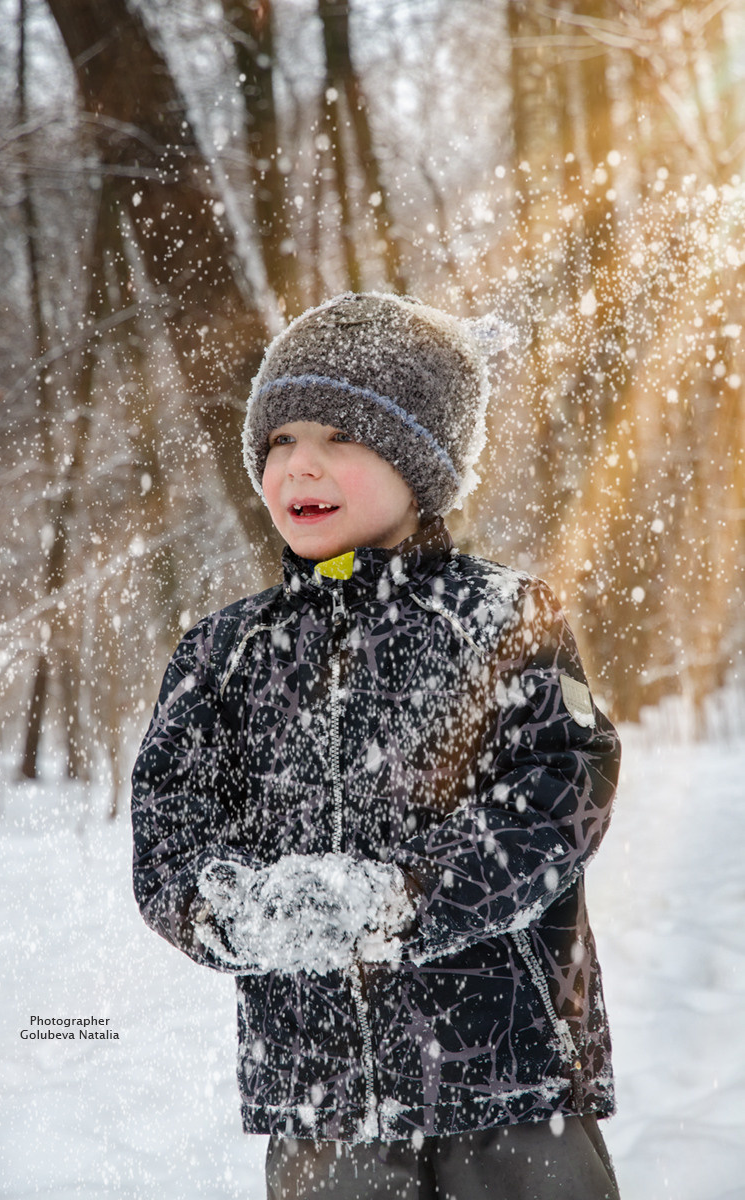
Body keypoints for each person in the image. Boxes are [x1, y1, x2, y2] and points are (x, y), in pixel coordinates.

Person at [131, 292, 621, 1199]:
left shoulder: (502, 617)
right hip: (320, 1099)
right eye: (278, 440)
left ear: (418, 464)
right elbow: (170, 829)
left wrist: (407, 897)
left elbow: (564, 795)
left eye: (340, 437)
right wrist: (235, 912)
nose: (299, 463)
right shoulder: (222, 653)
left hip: (508, 1081)